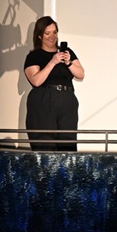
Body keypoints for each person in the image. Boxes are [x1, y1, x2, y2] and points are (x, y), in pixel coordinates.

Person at [23, 16, 85, 151]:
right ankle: (45, 171)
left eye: (55, 32)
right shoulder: (34, 56)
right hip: (44, 98)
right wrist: (52, 62)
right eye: (47, 33)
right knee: (45, 145)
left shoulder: (67, 53)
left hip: (67, 99)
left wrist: (68, 63)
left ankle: (65, 171)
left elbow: (81, 74)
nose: (52, 36)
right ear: (39, 36)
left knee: (67, 145)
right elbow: (36, 81)